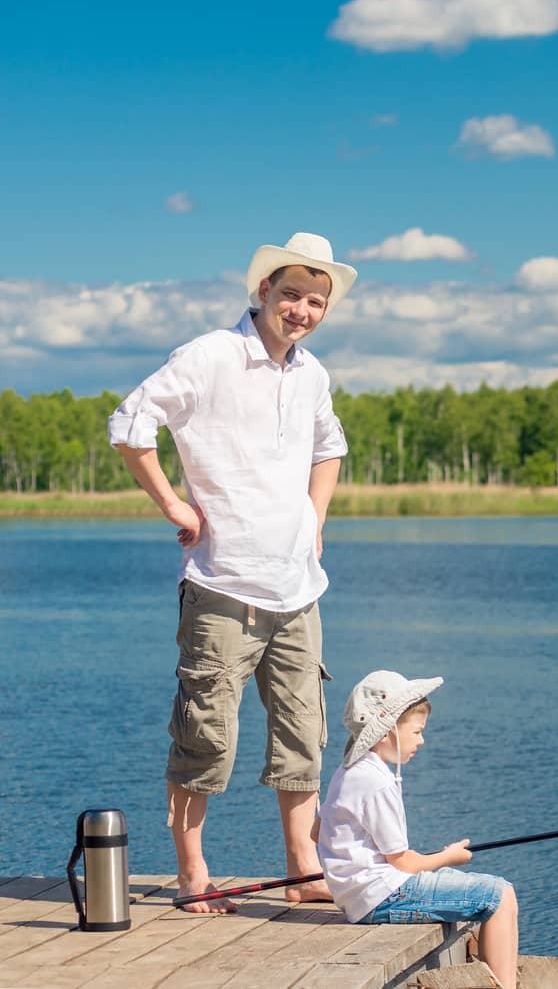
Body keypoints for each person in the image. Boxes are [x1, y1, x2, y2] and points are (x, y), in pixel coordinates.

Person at [108, 232, 358, 912]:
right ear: (262, 293)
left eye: (315, 300)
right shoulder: (211, 355)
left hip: (298, 591)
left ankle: (304, 870)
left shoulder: (311, 374)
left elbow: (330, 448)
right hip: (223, 588)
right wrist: (172, 505)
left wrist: (316, 521)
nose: (302, 310)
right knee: (205, 739)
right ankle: (193, 878)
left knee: (303, 734)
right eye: (291, 295)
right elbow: (131, 424)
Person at [319, 672, 519, 988]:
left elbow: (318, 830)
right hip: (382, 896)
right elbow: (403, 863)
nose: (421, 740)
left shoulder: (347, 770)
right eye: (417, 731)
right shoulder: (377, 781)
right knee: (499, 896)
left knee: (486, 887)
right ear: (387, 733)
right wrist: (447, 856)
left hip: (364, 895)